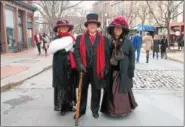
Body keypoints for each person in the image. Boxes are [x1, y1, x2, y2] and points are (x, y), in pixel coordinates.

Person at [74, 13, 110, 119]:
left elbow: (107, 55)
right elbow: (76, 52)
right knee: (82, 90)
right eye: (90, 24)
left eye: (94, 24)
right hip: (83, 69)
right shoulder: (80, 38)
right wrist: (80, 64)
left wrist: (106, 67)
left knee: (96, 91)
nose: (92, 26)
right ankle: (80, 110)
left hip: (97, 69)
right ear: (87, 25)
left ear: (97, 25)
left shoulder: (104, 39)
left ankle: (95, 110)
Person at [100, 16, 138, 116]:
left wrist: (131, 68)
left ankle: (123, 109)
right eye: (116, 28)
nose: (117, 30)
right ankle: (111, 109)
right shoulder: (109, 41)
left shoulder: (128, 42)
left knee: (123, 88)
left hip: (124, 70)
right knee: (111, 89)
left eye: (119, 28)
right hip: (112, 71)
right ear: (113, 30)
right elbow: (105, 55)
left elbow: (132, 56)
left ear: (123, 30)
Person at [49, 20, 77, 115]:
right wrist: (67, 48)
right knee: (61, 86)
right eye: (62, 27)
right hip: (60, 66)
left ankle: (69, 105)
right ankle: (62, 106)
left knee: (70, 85)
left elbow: (74, 49)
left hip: (70, 66)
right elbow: (59, 52)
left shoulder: (71, 38)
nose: (64, 28)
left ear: (68, 28)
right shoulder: (56, 39)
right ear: (59, 29)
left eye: (66, 27)